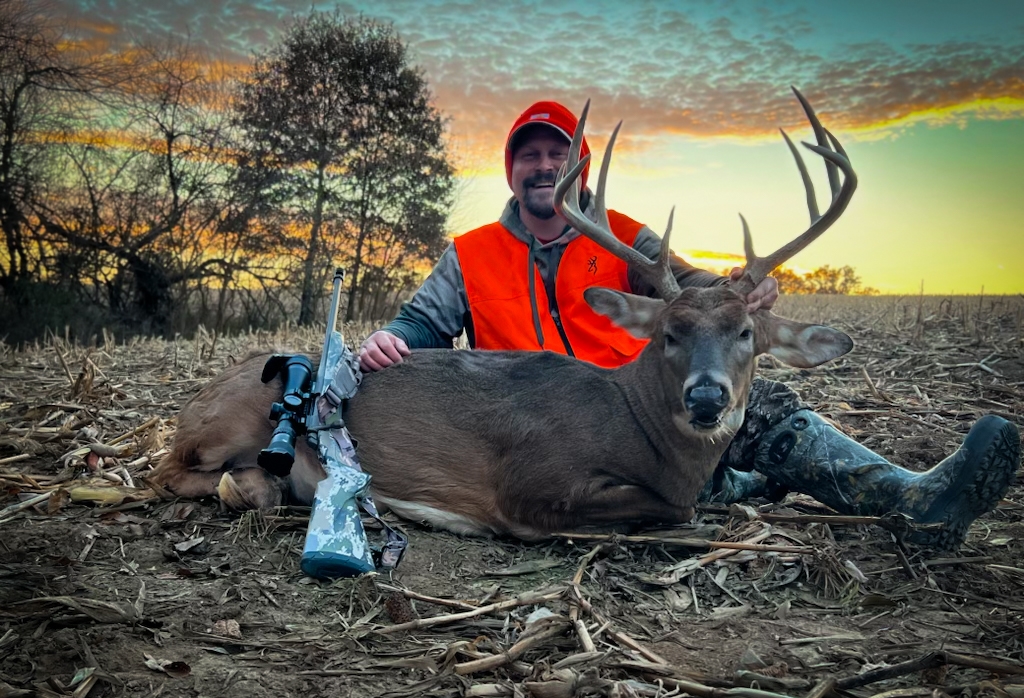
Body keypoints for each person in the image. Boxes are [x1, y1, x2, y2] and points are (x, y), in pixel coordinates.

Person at [357, 100, 1020, 549]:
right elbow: (422, 322)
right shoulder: (471, 252)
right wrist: (393, 341)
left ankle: (910, 497)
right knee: (685, 482)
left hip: (641, 405)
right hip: (526, 421)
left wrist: (743, 289)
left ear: (579, 167)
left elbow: (693, 286)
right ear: (511, 170)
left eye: (558, 154)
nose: (544, 166)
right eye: (528, 155)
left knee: (762, 402)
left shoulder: (625, 237)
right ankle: (723, 488)